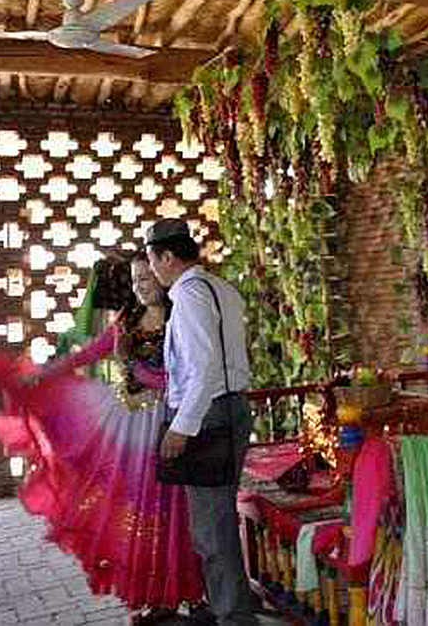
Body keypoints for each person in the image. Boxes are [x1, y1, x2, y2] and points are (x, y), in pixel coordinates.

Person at [0, 253, 206, 625]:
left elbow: (191, 372)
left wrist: (137, 368)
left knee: (178, 512)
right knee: (141, 510)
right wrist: (47, 372)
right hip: (132, 429)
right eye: (135, 281)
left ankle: (192, 592)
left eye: (147, 279)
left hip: (172, 425)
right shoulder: (127, 321)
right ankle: (158, 598)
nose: (140, 287)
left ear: (162, 276)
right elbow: (91, 351)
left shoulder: (182, 317)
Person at [145, 218, 258, 626]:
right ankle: (230, 605)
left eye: (151, 260)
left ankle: (234, 617)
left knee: (212, 528)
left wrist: (182, 426)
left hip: (207, 414)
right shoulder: (219, 288)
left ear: (167, 257)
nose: (152, 270)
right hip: (228, 407)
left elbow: (204, 369)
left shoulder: (190, 296)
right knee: (217, 519)